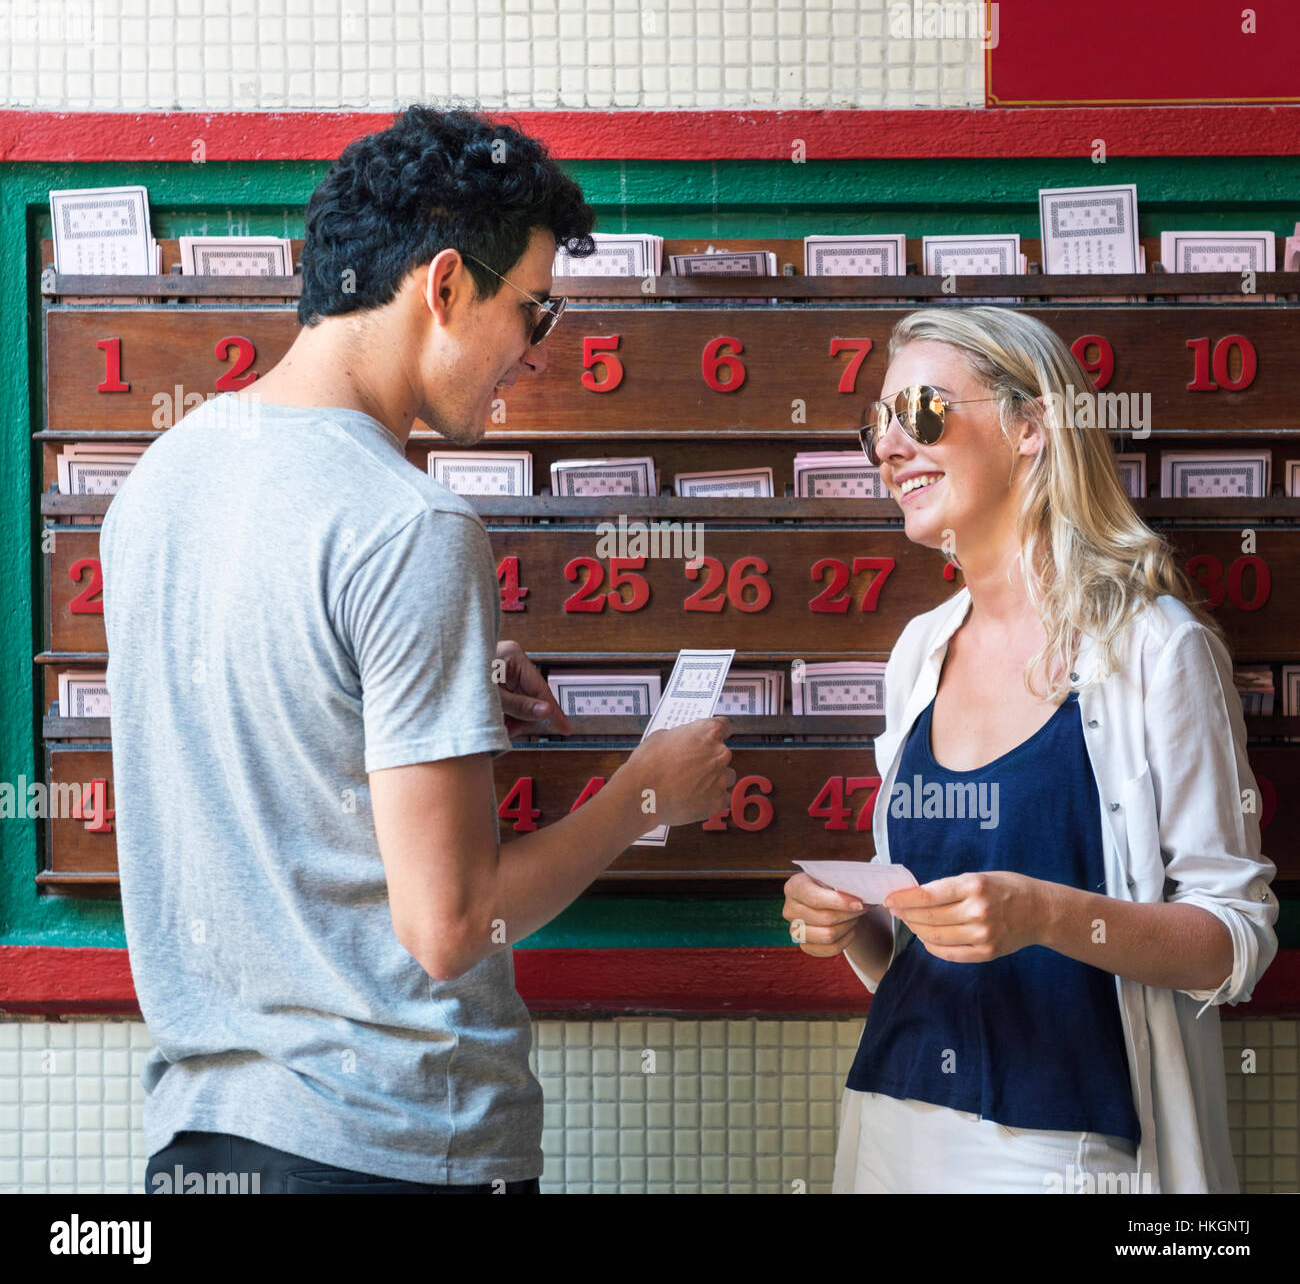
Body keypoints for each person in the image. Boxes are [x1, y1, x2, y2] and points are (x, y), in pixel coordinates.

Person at [103, 105, 735, 1194]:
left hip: (201, 1141)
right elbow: (449, 924)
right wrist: (644, 795)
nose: (536, 356)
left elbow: (277, 714)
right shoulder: (413, 528)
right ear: (444, 286)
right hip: (394, 1145)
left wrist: (433, 686)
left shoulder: (156, 483)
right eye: (534, 311)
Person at [783, 304, 1277, 1194]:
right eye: (877, 428)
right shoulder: (918, 656)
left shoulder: (1156, 651)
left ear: (1032, 427)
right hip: (892, 1130)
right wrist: (857, 925)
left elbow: (1233, 944)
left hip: (1071, 1156)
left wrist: (1048, 915)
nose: (891, 448)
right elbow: (923, 944)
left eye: (923, 413)